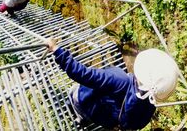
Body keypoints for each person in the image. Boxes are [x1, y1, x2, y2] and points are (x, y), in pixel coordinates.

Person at [45, 38, 179, 130]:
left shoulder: (119, 80)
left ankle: (76, 113)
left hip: (84, 101)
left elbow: (83, 74)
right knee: (88, 114)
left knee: (74, 94)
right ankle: (82, 119)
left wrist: (56, 49)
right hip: (105, 120)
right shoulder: (150, 103)